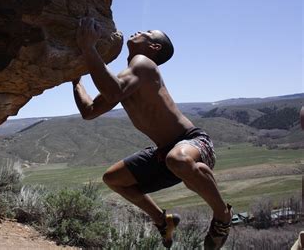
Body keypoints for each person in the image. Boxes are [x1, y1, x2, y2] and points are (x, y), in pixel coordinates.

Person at [72, 17, 232, 249]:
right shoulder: (126, 78)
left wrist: (88, 48)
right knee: (114, 179)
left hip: (194, 143)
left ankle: (222, 215)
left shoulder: (144, 63)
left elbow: (113, 92)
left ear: (154, 47)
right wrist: (76, 82)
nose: (139, 31)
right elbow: (89, 111)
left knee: (177, 158)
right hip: (166, 154)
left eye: (148, 32)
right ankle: (162, 220)